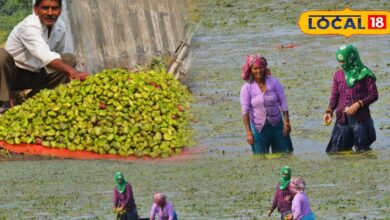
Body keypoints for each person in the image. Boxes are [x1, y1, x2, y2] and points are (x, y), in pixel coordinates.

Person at [0, 0, 88, 113]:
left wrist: (69, 70)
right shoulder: (29, 26)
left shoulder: (60, 27)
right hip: (13, 75)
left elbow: (56, 55)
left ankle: (31, 99)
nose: (50, 13)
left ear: (60, 10)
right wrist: (73, 72)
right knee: (1, 55)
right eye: (45, 8)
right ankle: (4, 102)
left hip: (36, 73)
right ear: (36, 10)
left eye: (55, 8)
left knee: (68, 60)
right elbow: (45, 55)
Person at [324, 44, 378, 153]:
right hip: (342, 120)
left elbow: (374, 95)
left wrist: (358, 104)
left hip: (360, 120)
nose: (341, 64)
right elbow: (335, 96)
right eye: (339, 62)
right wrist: (329, 111)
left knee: (363, 153)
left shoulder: (365, 74)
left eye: (343, 61)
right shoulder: (338, 75)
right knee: (335, 153)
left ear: (351, 58)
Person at [240, 54, 293, 154]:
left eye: (261, 67)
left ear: (265, 68)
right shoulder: (247, 88)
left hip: (277, 126)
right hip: (258, 128)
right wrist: (249, 132)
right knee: (260, 159)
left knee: (283, 156)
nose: (258, 71)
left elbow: (283, 102)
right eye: (255, 68)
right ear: (251, 70)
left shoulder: (274, 82)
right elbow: (245, 111)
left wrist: (286, 122)